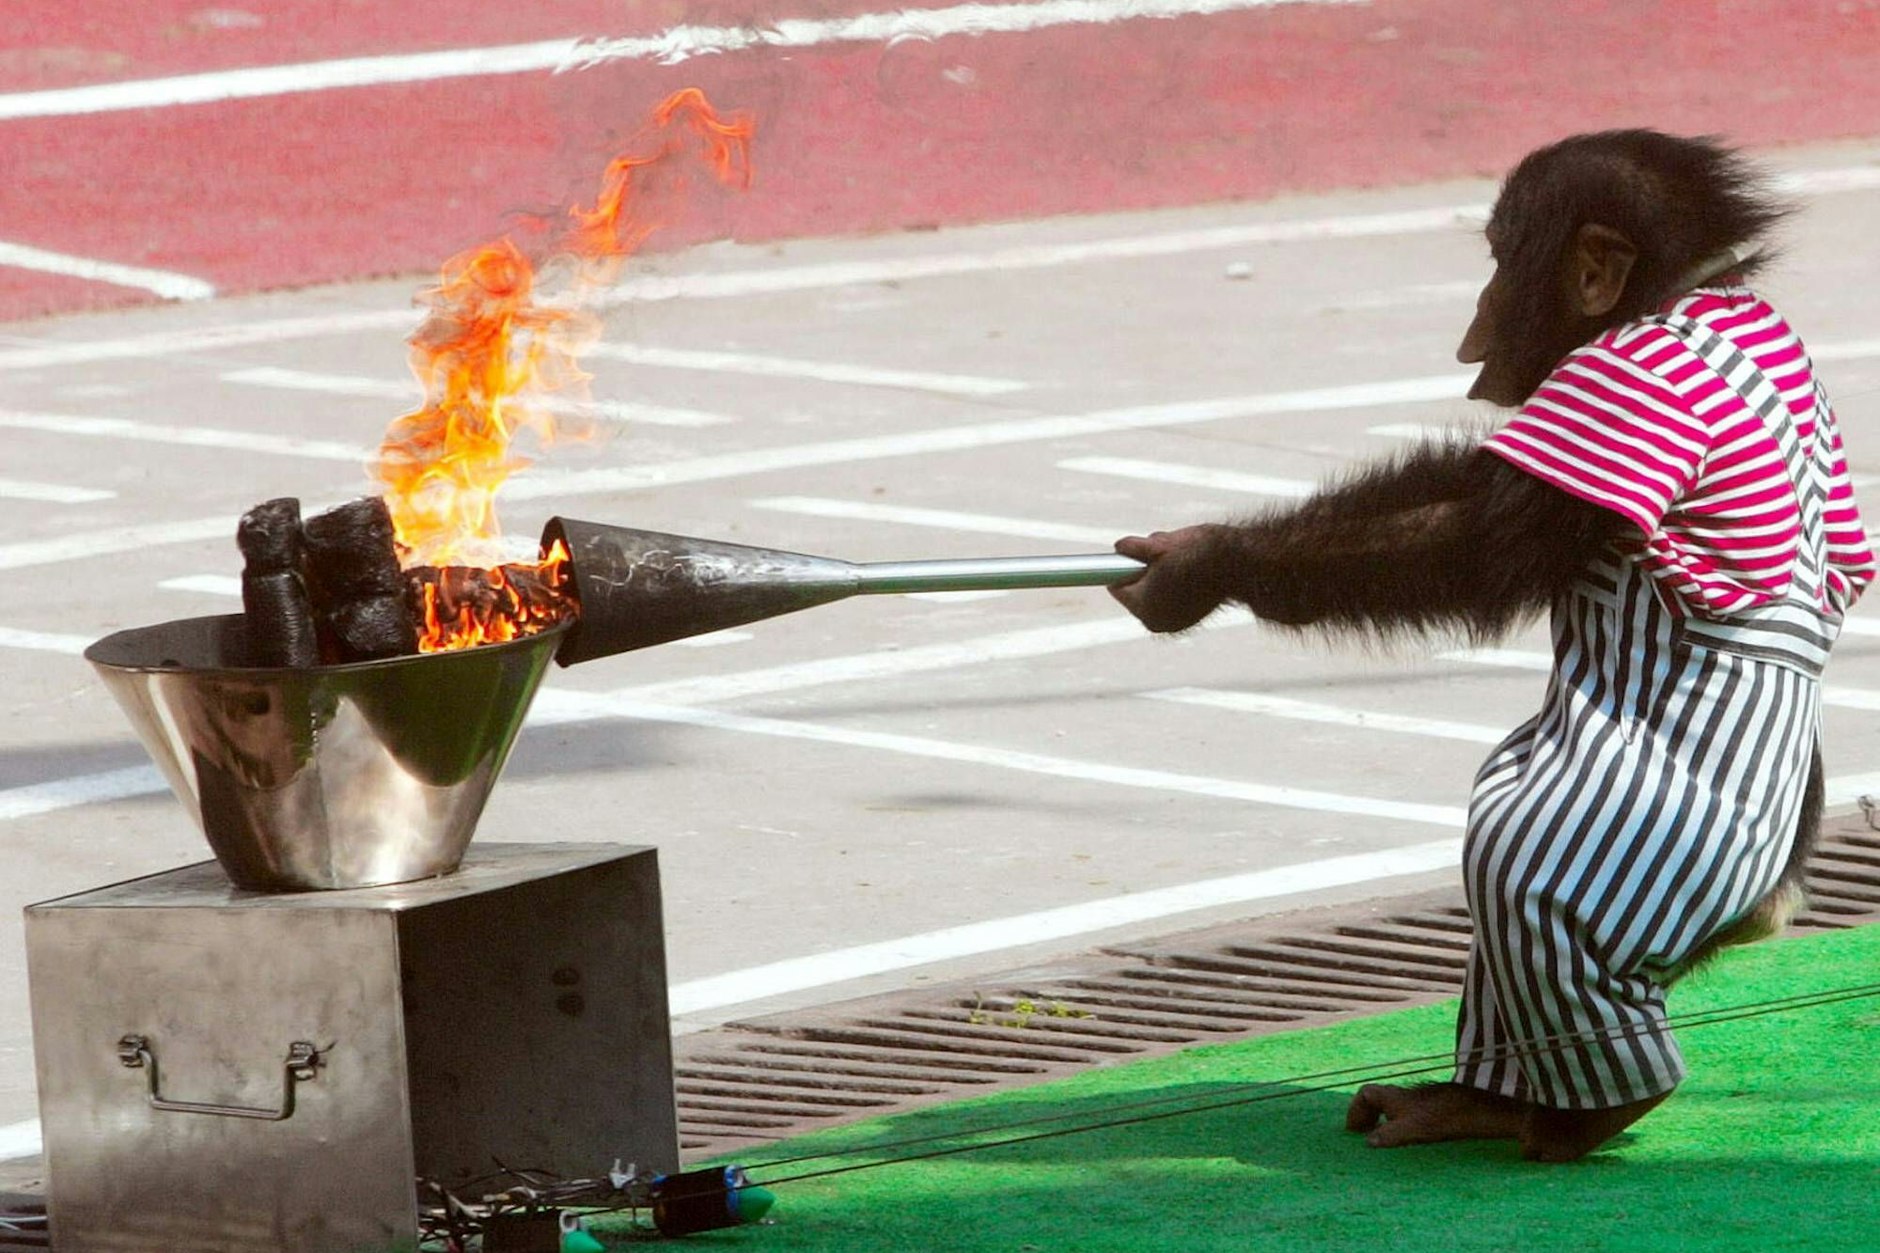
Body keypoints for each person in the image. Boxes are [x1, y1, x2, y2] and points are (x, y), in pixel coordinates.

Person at [1108, 131, 1874, 1161]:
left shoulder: (1652, 365)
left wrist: (1236, 567)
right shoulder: (1741, 337)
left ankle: (1598, 1085)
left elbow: (1471, 545)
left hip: (1687, 768)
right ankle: (1509, 1078)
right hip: (1756, 762)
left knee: (1540, 857)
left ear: (1594, 268)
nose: (1480, 332)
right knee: (1525, 802)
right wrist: (1240, 552)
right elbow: (1485, 491)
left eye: (1507, 268)